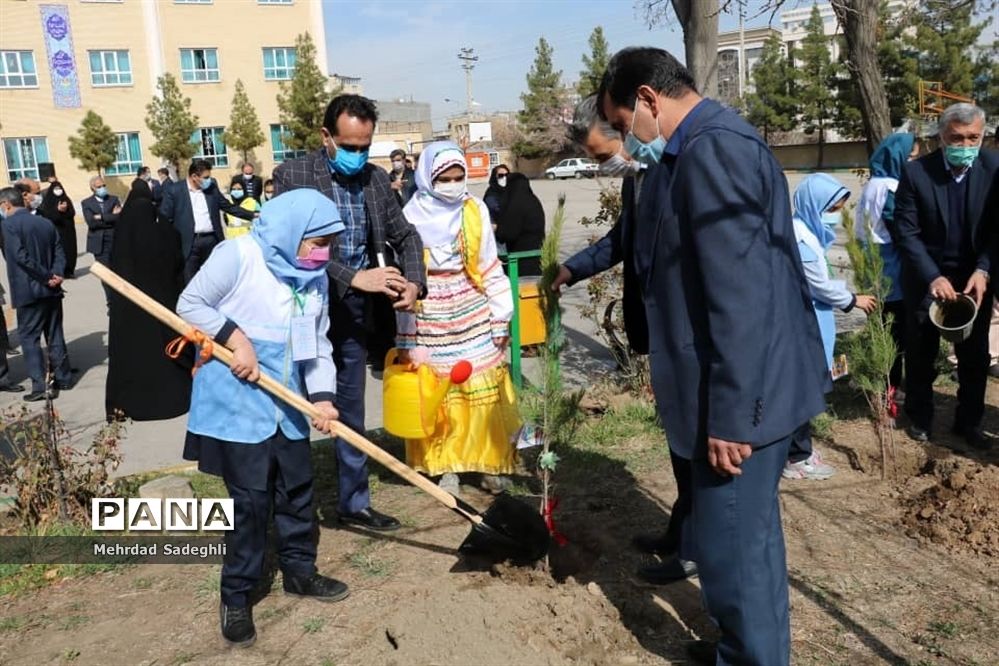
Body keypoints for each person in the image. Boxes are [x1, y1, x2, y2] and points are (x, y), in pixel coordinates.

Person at [599, 47, 829, 665]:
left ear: (648, 99)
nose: (627, 139)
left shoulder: (713, 150)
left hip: (737, 399)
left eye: (623, 125)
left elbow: (741, 298)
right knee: (744, 543)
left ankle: (751, 657)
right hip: (728, 386)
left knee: (732, 548)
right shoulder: (695, 149)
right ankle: (743, 647)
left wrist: (731, 417)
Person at [178, 189, 348, 647]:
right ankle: (236, 594)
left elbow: (319, 344)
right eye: (318, 242)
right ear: (291, 231)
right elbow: (189, 305)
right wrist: (239, 341)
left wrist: (325, 398)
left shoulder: (314, 278)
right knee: (249, 506)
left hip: (287, 403)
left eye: (330, 243)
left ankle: (299, 572)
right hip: (238, 404)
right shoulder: (238, 255)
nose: (324, 253)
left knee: (297, 494)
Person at [557, 95, 698, 586]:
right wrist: (572, 268)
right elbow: (622, 240)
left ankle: (694, 549)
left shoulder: (678, 173)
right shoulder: (640, 178)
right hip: (661, 336)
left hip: (688, 336)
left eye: (603, 154)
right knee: (681, 444)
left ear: (624, 127)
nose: (603, 166)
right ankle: (681, 531)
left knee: (697, 447)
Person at [273, 93, 426, 532]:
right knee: (290, 410)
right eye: (350, 146)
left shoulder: (376, 182)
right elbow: (287, 246)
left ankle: (354, 502)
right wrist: (352, 276)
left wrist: (413, 282)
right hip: (301, 308)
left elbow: (407, 236)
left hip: (355, 314)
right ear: (326, 137)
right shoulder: (293, 177)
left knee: (350, 406)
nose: (358, 156)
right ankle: (287, 509)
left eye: (365, 147)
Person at [396, 141, 519, 496]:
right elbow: (406, 279)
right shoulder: (410, 216)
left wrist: (501, 318)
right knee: (441, 389)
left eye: (458, 177)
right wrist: (406, 336)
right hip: (429, 310)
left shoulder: (474, 209)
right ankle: (446, 465)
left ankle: (487, 461)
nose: (452, 185)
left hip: (472, 307)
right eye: (444, 179)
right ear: (427, 178)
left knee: (480, 386)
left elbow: (490, 265)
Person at [893, 103, 997, 451]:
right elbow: (906, 232)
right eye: (957, 138)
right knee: (921, 350)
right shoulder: (916, 174)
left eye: (973, 138)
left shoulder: (994, 169)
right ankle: (920, 418)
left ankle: (969, 421)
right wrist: (932, 277)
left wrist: (984, 269)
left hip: (974, 279)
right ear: (941, 136)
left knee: (975, 355)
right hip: (927, 276)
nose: (965, 145)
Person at [785, 174, 877, 481]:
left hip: (813, 319)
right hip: (804, 323)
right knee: (803, 389)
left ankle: (801, 450)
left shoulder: (807, 230)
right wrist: (852, 300)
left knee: (807, 385)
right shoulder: (800, 238)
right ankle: (797, 457)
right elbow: (819, 285)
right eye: (833, 208)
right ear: (815, 205)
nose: (836, 216)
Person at [105, 179, 190, 421]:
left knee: (131, 355)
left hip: (129, 308)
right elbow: (177, 263)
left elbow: (113, 266)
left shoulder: (122, 233)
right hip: (162, 303)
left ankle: (127, 404)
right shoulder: (163, 229)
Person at [857, 133, 919, 397]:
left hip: (872, 260)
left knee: (881, 327)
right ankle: (890, 387)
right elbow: (900, 228)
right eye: (912, 157)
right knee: (894, 331)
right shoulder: (891, 187)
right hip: (889, 264)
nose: (914, 163)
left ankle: (883, 382)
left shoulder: (873, 183)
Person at [0, 186, 72, 402]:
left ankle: (40, 386)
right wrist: (57, 274)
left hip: (30, 290)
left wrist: (47, 275)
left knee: (29, 338)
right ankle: (63, 377)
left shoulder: (8, 225)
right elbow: (60, 250)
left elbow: (19, 256)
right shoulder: (44, 222)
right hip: (52, 289)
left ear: (6, 204)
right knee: (55, 333)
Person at [158, 158, 255, 284]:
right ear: (194, 176)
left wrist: (253, 215)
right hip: (189, 243)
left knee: (214, 280)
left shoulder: (211, 189)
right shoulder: (175, 191)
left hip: (211, 241)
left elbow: (228, 207)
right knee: (191, 282)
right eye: (206, 177)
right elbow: (165, 218)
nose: (208, 180)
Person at [493, 173, 545, 276]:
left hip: (520, 260)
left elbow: (506, 234)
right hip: (538, 256)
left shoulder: (516, 204)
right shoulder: (533, 200)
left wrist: (496, 229)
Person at [39, 180, 78, 278]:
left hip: (68, 231)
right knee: (58, 252)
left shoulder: (66, 199)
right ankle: (59, 271)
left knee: (70, 250)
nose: (58, 191)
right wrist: (58, 211)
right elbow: (47, 215)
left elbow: (72, 213)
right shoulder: (48, 201)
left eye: (59, 188)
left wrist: (65, 210)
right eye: (56, 189)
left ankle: (69, 271)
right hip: (56, 230)